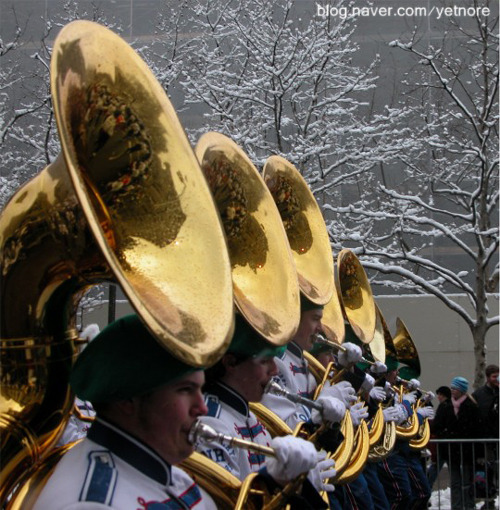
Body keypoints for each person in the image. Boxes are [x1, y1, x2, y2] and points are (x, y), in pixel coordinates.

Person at [33, 314, 218, 510]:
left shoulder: (170, 475)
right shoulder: (93, 504)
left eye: (200, 389)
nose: (202, 408)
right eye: (185, 390)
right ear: (127, 400)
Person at [197, 314, 334, 509]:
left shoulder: (249, 416)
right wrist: (287, 486)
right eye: (264, 361)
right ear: (230, 363)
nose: (274, 371)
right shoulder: (211, 423)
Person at [432, 376, 481, 510]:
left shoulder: (471, 406)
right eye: (452, 388)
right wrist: (446, 436)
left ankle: (469, 505)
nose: (452, 391)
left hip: (466, 451)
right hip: (451, 450)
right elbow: (437, 426)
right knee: (455, 481)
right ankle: (457, 506)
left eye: (455, 388)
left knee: (467, 481)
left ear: (462, 390)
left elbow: (476, 428)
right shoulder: (445, 406)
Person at [471, 365, 499, 507]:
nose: (497, 379)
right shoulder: (480, 394)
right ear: (488, 377)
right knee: (490, 470)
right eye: (494, 376)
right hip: (488, 439)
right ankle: (490, 501)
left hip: (496, 437)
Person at [427, 386, 452, 488]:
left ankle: (427, 488)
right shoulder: (449, 406)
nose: (438, 397)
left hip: (442, 444)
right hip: (446, 443)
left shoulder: (444, 407)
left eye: (440, 395)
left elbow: (438, 424)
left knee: (435, 467)